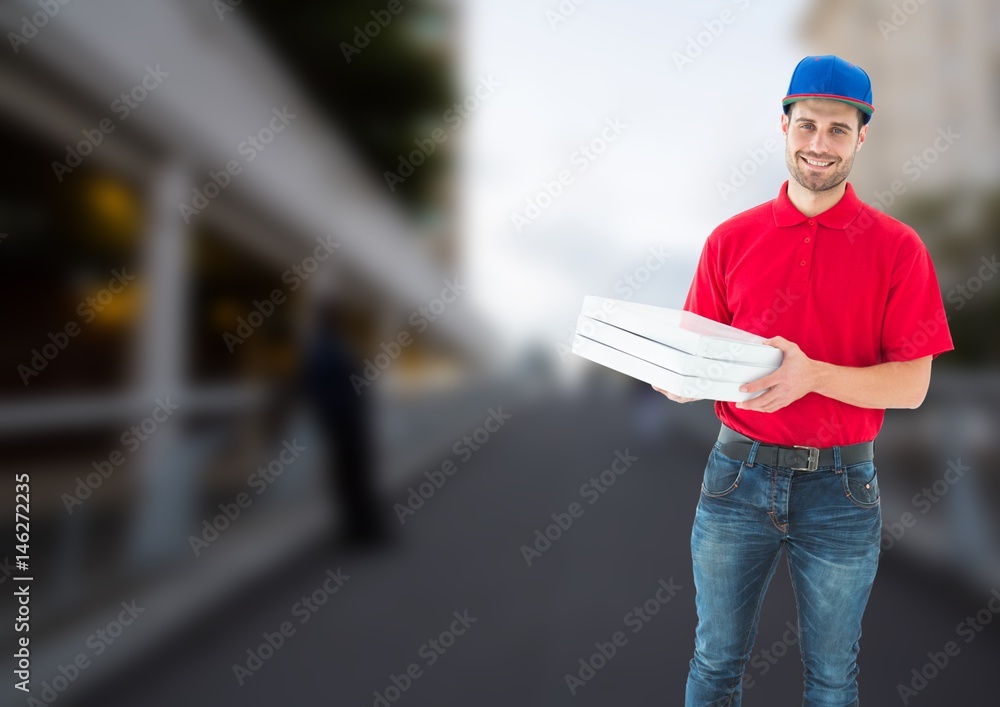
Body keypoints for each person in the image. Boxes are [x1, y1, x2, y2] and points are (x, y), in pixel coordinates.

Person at [654, 55, 955, 706]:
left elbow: (911, 385)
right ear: (785, 127)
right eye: (808, 125)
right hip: (736, 476)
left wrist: (811, 375)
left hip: (843, 487)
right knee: (714, 662)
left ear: (861, 137)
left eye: (838, 130)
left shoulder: (898, 248)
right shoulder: (730, 240)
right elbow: (692, 353)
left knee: (832, 676)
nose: (820, 144)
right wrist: (675, 378)